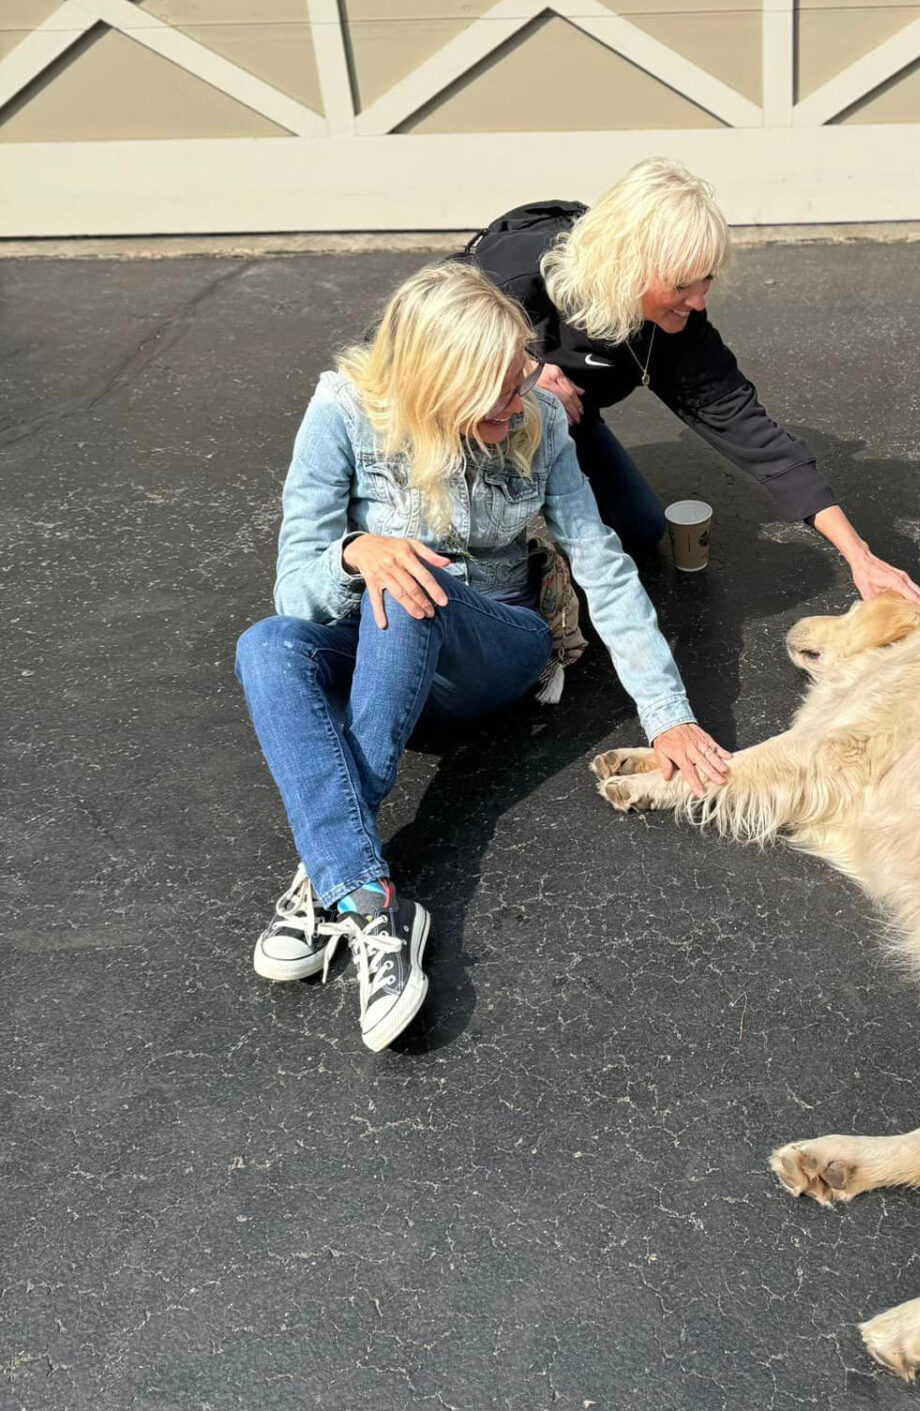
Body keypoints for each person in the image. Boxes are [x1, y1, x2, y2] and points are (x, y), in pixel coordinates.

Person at [235, 262, 730, 1052]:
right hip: (383, 653)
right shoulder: (343, 413)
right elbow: (296, 591)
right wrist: (358, 550)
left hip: (495, 645)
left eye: (522, 377)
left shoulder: (539, 420)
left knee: (409, 580)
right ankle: (369, 896)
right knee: (267, 646)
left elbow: (601, 564)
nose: (524, 396)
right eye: (499, 388)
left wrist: (669, 716)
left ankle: (329, 863)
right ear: (438, 384)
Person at [458, 158, 920, 608]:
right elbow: (404, 343)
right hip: (463, 418)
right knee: (473, 533)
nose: (699, 300)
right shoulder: (523, 267)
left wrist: (860, 556)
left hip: (563, 426)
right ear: (630, 267)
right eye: (683, 284)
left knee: (640, 530)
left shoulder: (677, 332)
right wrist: (523, 366)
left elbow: (755, 434)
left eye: (705, 280)